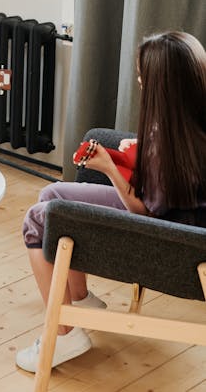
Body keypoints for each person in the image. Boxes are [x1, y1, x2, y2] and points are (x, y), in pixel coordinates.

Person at [16, 31, 206, 372]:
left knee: (37, 220)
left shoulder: (170, 144)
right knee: (52, 195)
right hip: (177, 221)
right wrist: (137, 152)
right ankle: (82, 301)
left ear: (162, 85)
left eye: (141, 75)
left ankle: (63, 334)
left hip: (168, 241)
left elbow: (144, 210)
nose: (138, 80)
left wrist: (108, 168)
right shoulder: (189, 124)